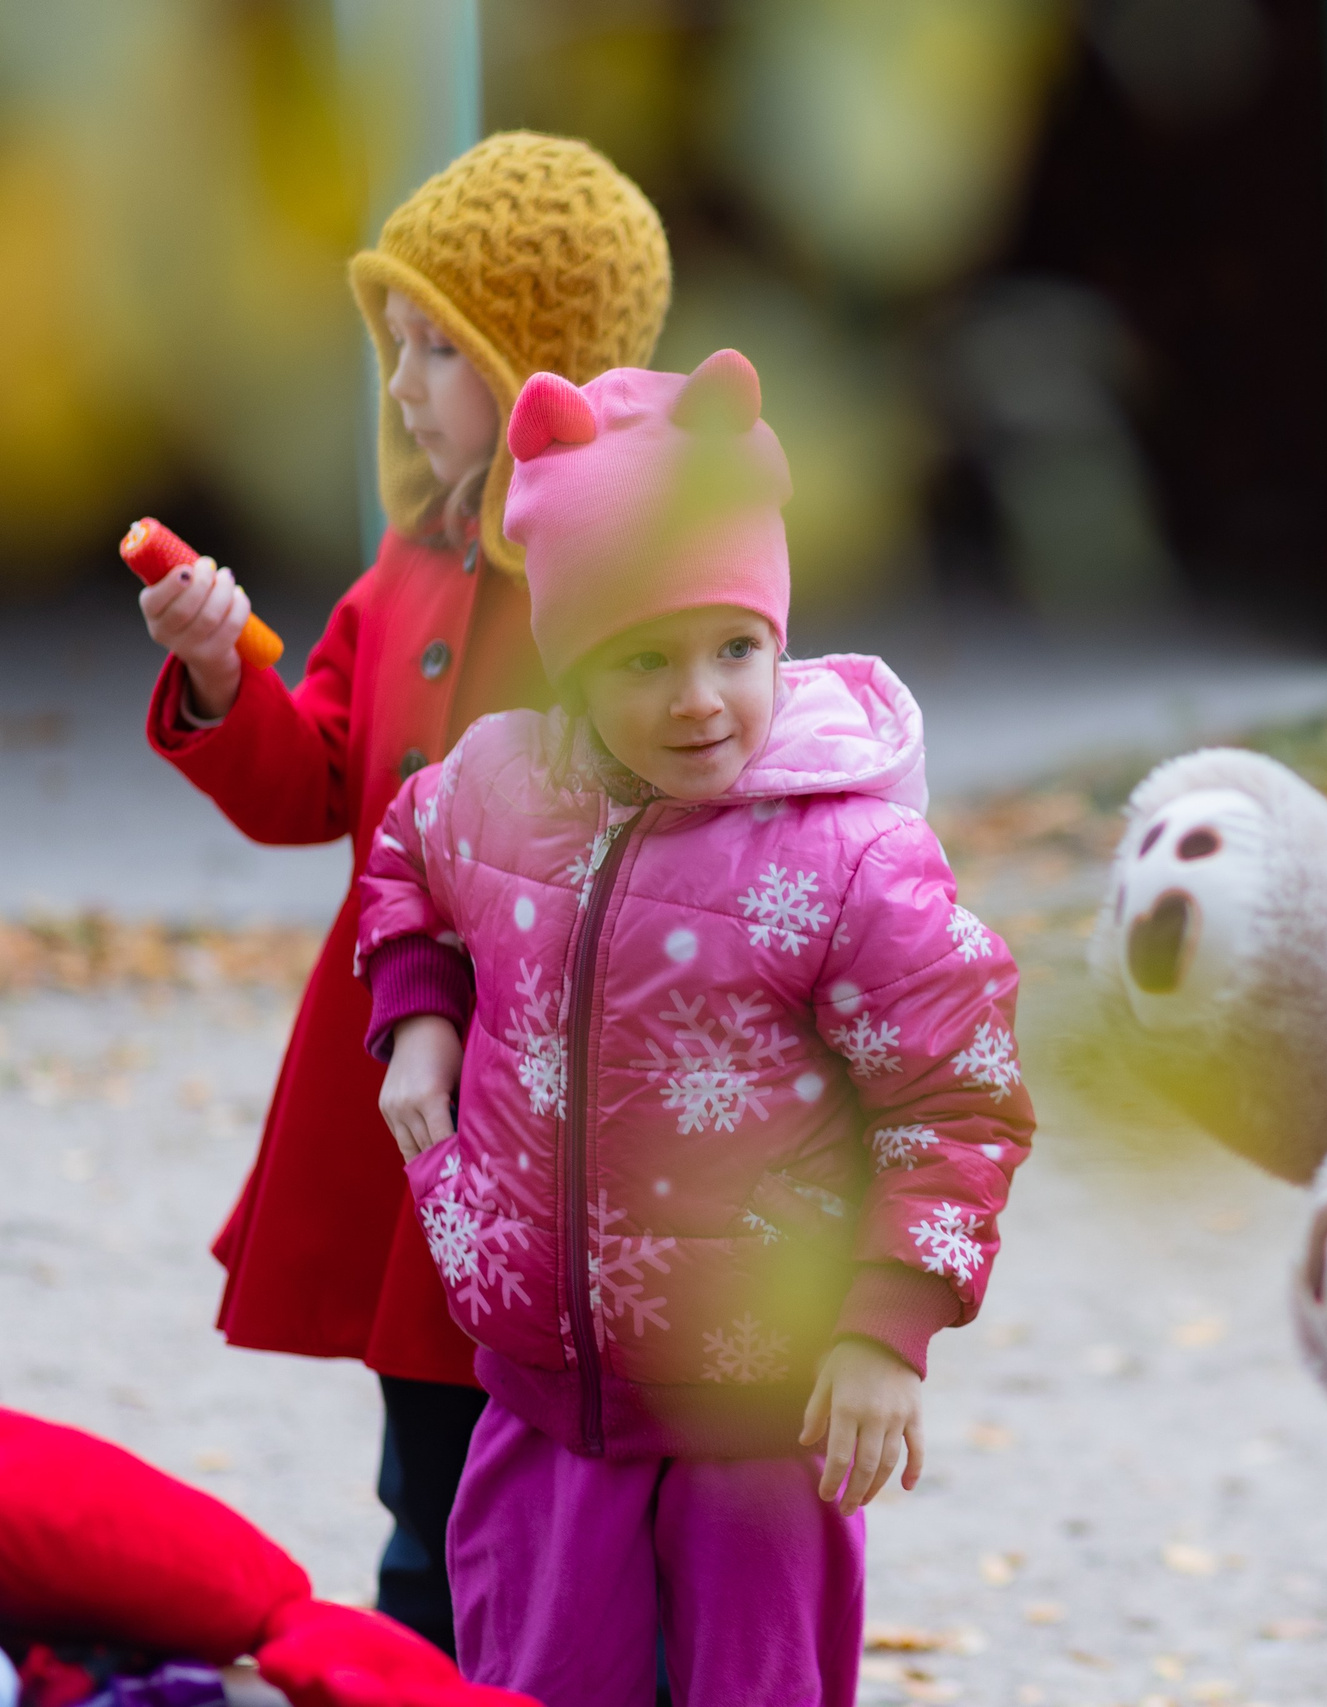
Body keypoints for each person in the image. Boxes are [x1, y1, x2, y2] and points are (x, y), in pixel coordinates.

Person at [354, 349, 1033, 1707]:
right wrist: (417, 1013)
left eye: (738, 647)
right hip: (543, 1393)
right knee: (529, 1680)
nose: (699, 698)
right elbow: (404, 857)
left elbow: (958, 1095)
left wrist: (880, 1326)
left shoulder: (849, 857)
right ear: (569, 660)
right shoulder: (496, 788)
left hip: (760, 1411)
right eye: (643, 659)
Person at [134, 132, 671, 1653]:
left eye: (440, 348)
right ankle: (417, 1669)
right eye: (394, 345)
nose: (402, 381)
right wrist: (211, 666)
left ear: (537, 367)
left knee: (554, 1488)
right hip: (409, 1117)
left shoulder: (632, 575)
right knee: (423, 1487)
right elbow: (311, 781)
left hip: (556, 1107)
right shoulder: (406, 569)